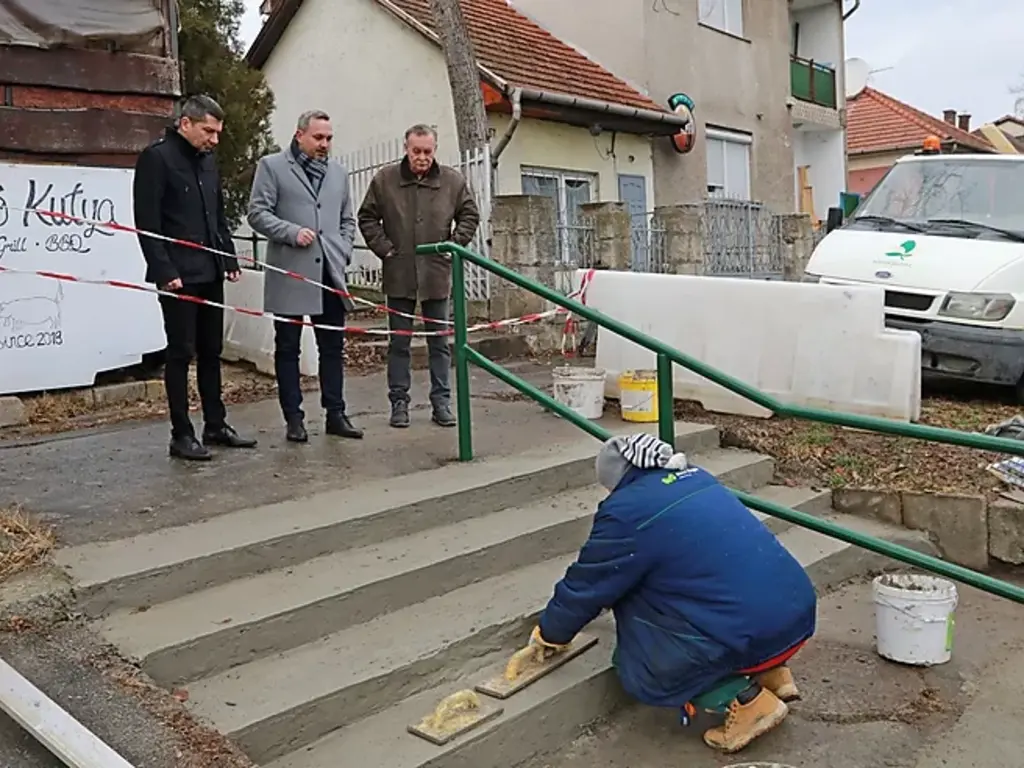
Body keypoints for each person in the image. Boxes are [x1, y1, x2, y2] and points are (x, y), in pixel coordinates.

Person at [528, 433, 817, 754]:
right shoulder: (696, 477)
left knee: (639, 662)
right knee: (703, 587)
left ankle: (746, 701)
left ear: (617, 478)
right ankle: (773, 674)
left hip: (751, 629)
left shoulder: (627, 511)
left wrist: (551, 633)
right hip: (794, 614)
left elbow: (589, 584)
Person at [132, 95, 257, 461]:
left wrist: (228, 256)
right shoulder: (156, 159)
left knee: (211, 352)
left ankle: (215, 425)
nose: (214, 139)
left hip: (210, 270)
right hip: (178, 277)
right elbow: (148, 224)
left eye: (218, 132)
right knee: (180, 353)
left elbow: (216, 215)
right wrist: (164, 270)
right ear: (185, 124)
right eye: (208, 131)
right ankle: (181, 434)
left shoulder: (208, 161)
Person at [247, 110, 363, 443]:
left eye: (328, 137)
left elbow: (346, 219)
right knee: (288, 348)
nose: (324, 144)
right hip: (291, 271)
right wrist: (291, 232)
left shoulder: (338, 173)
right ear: (300, 135)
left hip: (329, 272)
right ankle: (294, 419)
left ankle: (336, 414)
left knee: (332, 347)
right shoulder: (272, 167)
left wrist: (341, 249)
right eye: (318, 137)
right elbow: (257, 213)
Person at [357, 124, 480, 429]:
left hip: (436, 275)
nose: (422, 157)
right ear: (406, 148)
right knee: (399, 343)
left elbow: (470, 214)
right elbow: (367, 217)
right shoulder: (385, 180)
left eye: (427, 151)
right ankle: (399, 403)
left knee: (439, 343)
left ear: (434, 150)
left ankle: (442, 403)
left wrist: (454, 244)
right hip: (399, 274)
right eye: (416, 151)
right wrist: (385, 249)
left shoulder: (452, 181)